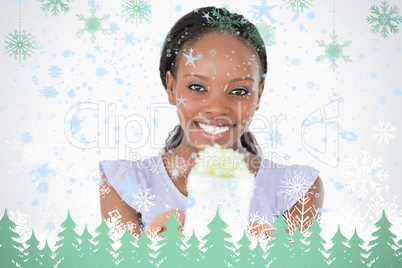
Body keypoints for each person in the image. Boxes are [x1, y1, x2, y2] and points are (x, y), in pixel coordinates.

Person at [99, 6, 324, 239]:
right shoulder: (123, 184)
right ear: (171, 87)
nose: (216, 108)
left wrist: (265, 252)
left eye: (238, 90)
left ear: (259, 93)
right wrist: (155, 247)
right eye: (196, 87)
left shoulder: (298, 189)